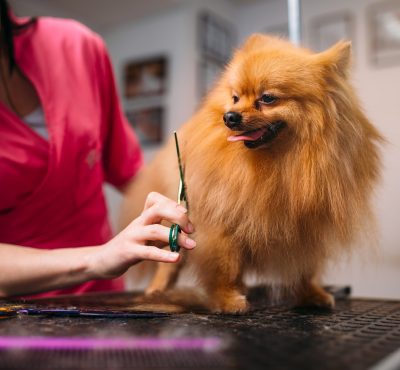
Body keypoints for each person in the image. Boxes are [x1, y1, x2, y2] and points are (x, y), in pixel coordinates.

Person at [0, 1, 196, 298]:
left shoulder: (78, 47)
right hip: (17, 310)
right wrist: (98, 258)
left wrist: (195, 205)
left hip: (102, 297)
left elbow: (132, 175)